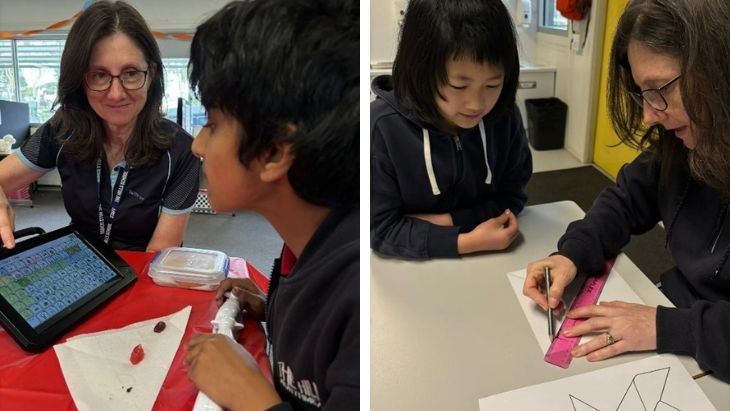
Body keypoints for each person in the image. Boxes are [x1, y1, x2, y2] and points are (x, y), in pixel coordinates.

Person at [523, 0, 730, 382]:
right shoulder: (683, 145)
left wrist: (666, 327)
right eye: (642, 93)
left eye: (658, 89)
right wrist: (572, 255)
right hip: (677, 311)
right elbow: (626, 200)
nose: (650, 115)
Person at [183, 0, 359, 410]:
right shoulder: (305, 237)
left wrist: (252, 398)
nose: (197, 145)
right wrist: (270, 309)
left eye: (212, 125)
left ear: (274, 153)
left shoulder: (353, 292)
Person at [0, 1, 200, 251]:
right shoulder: (64, 127)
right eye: (99, 75)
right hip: (81, 265)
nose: (116, 94)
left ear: (152, 75)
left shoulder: (180, 151)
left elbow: (158, 259)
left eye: (130, 73)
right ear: (80, 80)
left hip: (143, 271)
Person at [370, 0, 532, 259]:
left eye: (492, 85)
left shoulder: (504, 116)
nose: (476, 104)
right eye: (458, 86)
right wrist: (465, 242)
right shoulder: (382, 128)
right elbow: (379, 229)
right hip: (409, 278)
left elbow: (513, 197)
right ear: (421, 70)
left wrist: (442, 220)